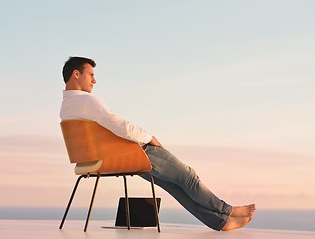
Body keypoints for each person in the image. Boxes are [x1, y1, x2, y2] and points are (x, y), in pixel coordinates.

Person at [60, 56, 256, 231]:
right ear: (76, 74)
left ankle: (220, 222)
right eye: (91, 74)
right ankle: (228, 210)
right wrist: (149, 137)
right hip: (132, 153)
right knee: (188, 177)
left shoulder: (66, 107)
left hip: (109, 157)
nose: (95, 80)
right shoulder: (87, 101)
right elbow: (122, 127)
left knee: (175, 186)